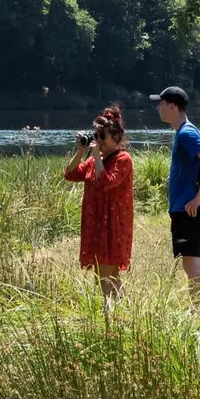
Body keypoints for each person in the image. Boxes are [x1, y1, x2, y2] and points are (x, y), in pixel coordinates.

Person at [152, 85, 200, 313]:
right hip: (185, 208)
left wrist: (198, 196)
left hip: (188, 209)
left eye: (161, 104)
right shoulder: (184, 131)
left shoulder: (187, 133)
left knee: (191, 263)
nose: (158, 108)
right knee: (193, 261)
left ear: (172, 106)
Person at [63, 104, 134, 308]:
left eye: (102, 136)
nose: (99, 140)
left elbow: (106, 182)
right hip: (96, 224)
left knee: (105, 278)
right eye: (96, 135)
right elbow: (70, 174)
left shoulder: (123, 159)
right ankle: (123, 314)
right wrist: (81, 151)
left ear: (116, 138)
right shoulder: (96, 160)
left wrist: (95, 156)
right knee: (107, 277)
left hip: (112, 226)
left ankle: (109, 323)